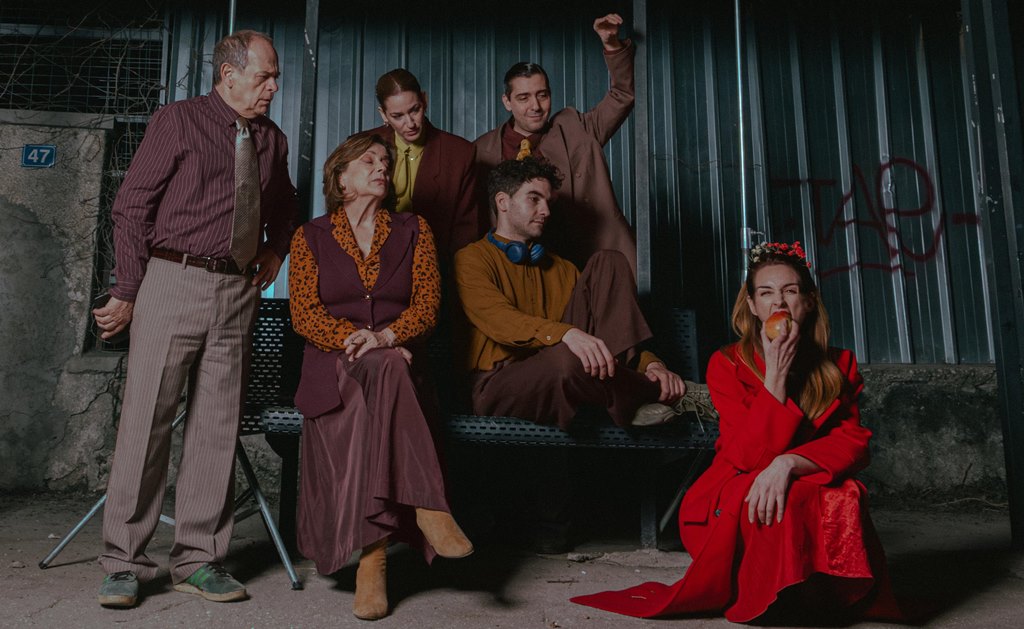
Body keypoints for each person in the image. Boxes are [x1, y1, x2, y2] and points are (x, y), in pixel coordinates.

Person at [572, 241, 902, 623]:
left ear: (809, 301)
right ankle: (775, 594)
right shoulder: (726, 363)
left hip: (799, 478)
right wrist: (776, 377)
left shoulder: (839, 363)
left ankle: (823, 593)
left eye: (790, 291)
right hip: (732, 496)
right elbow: (749, 457)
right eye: (766, 293)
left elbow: (853, 443)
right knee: (792, 494)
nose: (779, 302)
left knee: (843, 491)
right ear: (752, 305)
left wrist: (790, 463)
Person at [92, 30, 297, 608]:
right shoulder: (178, 121)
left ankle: (199, 560)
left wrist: (275, 250)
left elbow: (285, 205)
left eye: (275, 78)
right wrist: (127, 289)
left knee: (217, 425)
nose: (273, 87)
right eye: (264, 76)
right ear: (228, 75)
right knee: (147, 420)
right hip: (172, 278)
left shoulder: (272, 140)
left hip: (236, 292)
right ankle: (124, 562)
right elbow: (132, 206)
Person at [454, 157, 712, 551]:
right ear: (503, 202)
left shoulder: (563, 270)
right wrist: (569, 333)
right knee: (565, 359)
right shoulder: (471, 259)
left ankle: (638, 390)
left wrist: (654, 365)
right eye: (534, 199)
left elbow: (608, 337)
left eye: (549, 202)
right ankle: (643, 397)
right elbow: (499, 321)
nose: (545, 210)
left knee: (609, 261)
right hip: (498, 384)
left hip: (574, 380)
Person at [288, 134, 473, 621]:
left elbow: (427, 306)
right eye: (368, 160)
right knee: (386, 365)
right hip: (334, 368)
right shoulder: (310, 236)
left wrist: (387, 338)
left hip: (397, 369)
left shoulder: (415, 229)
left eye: (386, 162)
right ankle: (429, 506)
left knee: (388, 368)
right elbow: (305, 313)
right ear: (340, 178)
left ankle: (373, 564)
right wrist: (359, 339)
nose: (381, 167)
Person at [474, 14, 637, 275]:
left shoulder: (578, 127)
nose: (535, 106)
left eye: (542, 95)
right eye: (524, 98)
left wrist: (611, 45)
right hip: (519, 270)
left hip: (591, 258)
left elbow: (622, 95)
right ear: (507, 102)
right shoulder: (481, 151)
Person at [359, 68, 483, 263]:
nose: (410, 123)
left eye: (414, 110)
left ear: (424, 100)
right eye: (397, 116)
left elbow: (465, 234)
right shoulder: (359, 147)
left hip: (434, 264)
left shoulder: (460, 153)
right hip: (369, 264)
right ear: (383, 114)